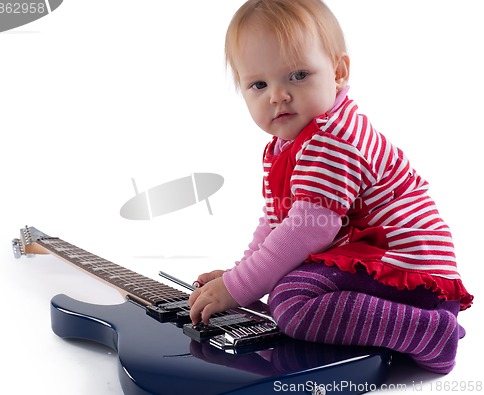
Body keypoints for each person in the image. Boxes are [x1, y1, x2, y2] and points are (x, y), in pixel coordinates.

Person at [188, 0, 473, 374]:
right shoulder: (296, 142)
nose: (277, 95)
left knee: (290, 302)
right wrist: (239, 275)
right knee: (281, 289)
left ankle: (428, 331)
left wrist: (239, 287)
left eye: (298, 75)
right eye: (259, 84)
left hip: (403, 269)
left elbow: (308, 228)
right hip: (367, 263)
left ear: (338, 71)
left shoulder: (332, 138)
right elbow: (279, 223)